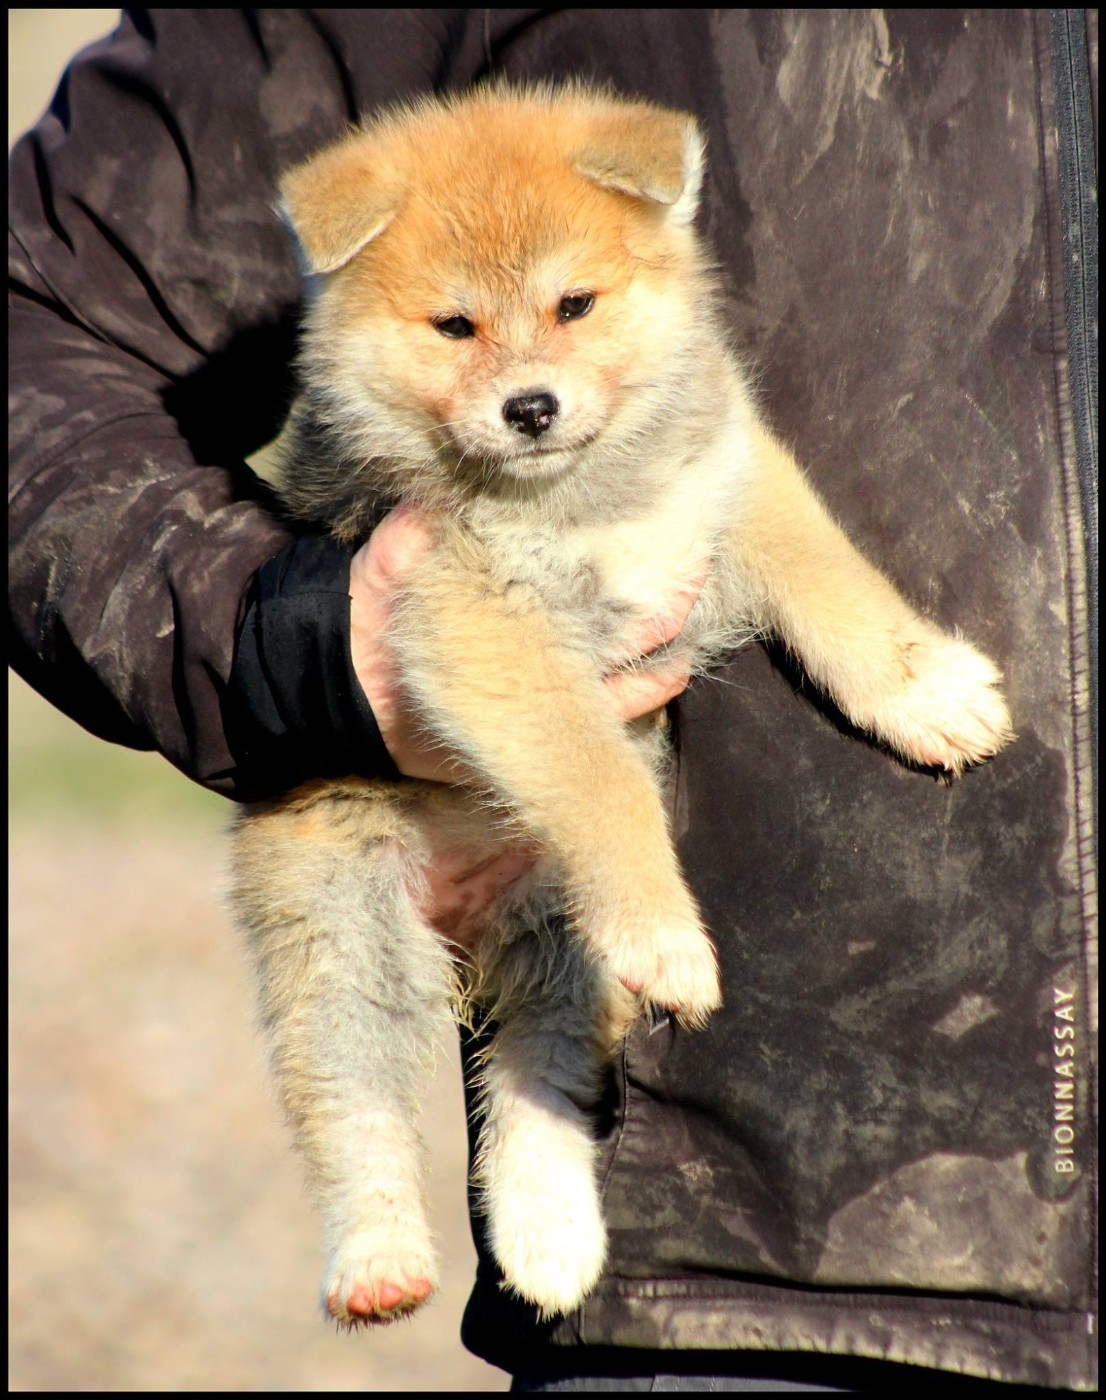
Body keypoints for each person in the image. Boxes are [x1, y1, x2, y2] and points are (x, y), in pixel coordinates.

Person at [9, 10, 1095, 1393]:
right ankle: (392, 1191)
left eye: (571, 311)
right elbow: (37, 317)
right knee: (366, 959)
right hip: (748, 1252)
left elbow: (744, 485)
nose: (518, 377)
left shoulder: (658, 337)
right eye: (453, 330)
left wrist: (878, 655)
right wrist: (281, 641)